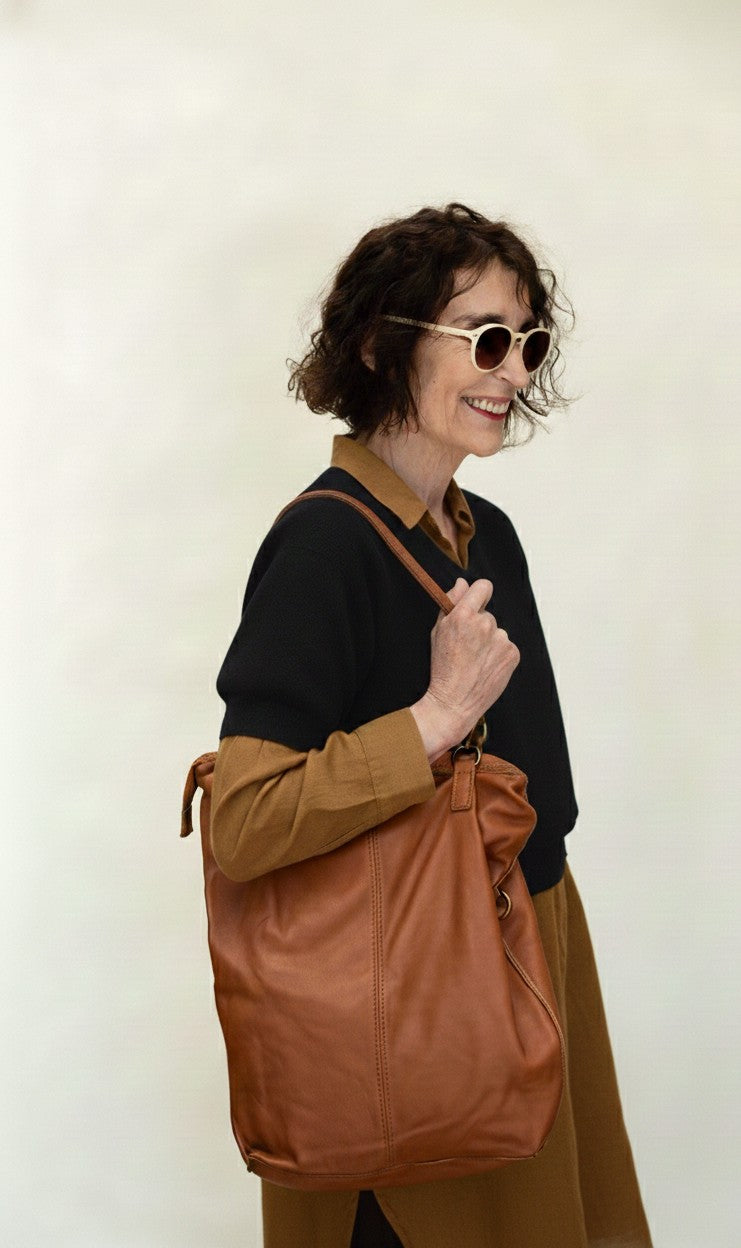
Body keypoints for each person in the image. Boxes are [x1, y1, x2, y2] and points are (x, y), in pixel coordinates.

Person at [209, 203, 653, 1248]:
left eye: (528, 343)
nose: (513, 371)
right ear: (380, 344)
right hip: (405, 1014)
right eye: (486, 338)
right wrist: (433, 719)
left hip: (526, 958)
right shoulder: (324, 548)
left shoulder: (485, 533)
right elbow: (244, 822)